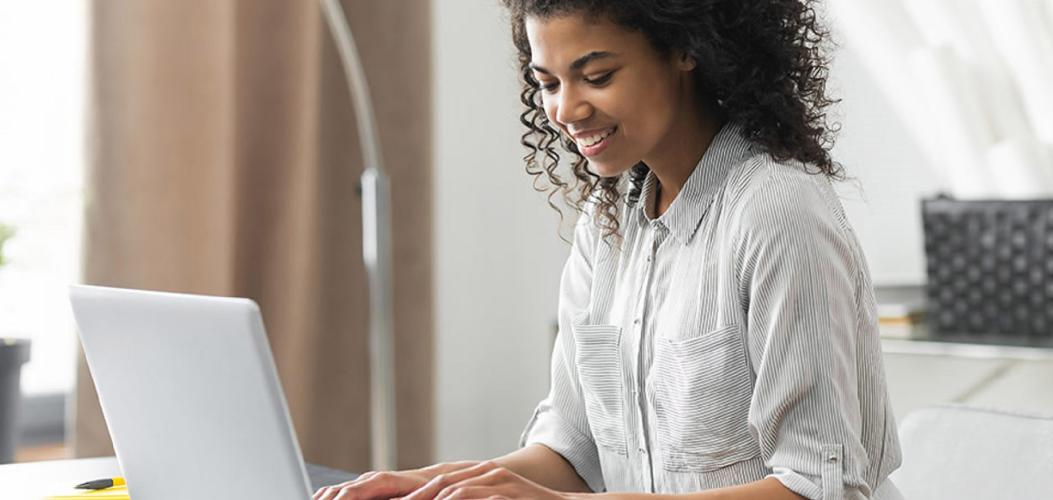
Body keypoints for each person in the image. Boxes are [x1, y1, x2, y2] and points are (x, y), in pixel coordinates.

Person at [314, 0, 902, 499]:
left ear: (685, 50)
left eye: (595, 76)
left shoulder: (776, 209)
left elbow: (821, 485)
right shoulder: (608, 223)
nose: (566, 110)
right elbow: (572, 451)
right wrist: (425, 485)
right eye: (547, 83)